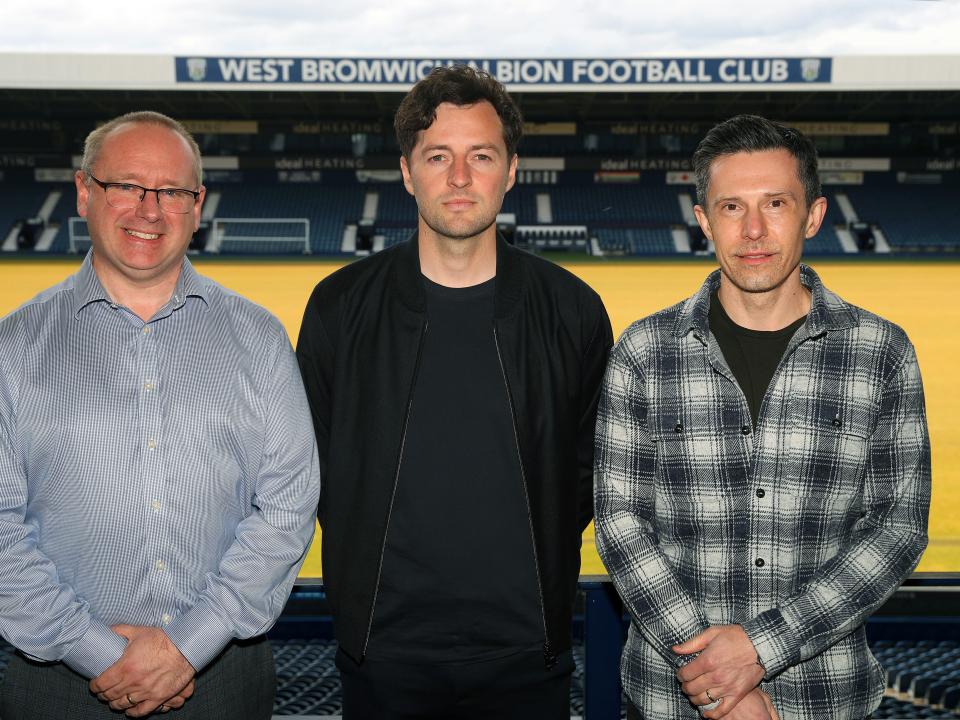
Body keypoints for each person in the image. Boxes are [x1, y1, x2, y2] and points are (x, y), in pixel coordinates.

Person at [296, 65, 613, 719]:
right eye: (438, 156)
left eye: (481, 156)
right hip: (383, 656)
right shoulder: (339, 308)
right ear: (408, 172)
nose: (461, 178)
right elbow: (311, 465)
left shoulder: (573, 310)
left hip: (528, 655)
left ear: (511, 169)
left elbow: (593, 469)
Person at [594, 114, 930, 720]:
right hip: (670, 700)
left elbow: (897, 529)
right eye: (730, 207)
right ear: (703, 221)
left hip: (826, 700)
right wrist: (721, 681)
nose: (753, 229)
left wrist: (759, 649)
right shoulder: (643, 352)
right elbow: (620, 525)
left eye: (775, 203)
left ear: (813, 215)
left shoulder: (882, 352)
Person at [0, 111, 320, 719]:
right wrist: (96, 651)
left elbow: (288, 503)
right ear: (84, 191)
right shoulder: (13, 348)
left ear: (197, 205)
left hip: (223, 678)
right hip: (55, 685)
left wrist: (187, 646)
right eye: (126, 185)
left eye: (172, 191)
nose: (149, 210)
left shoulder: (258, 337)